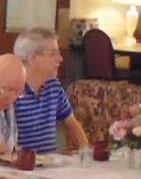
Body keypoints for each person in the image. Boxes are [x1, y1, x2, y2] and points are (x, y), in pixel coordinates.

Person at [10, 27, 88, 155]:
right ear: (33, 58)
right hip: (21, 166)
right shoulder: (12, 91)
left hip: (50, 164)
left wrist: (86, 152)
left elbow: (72, 123)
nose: (60, 59)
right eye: (53, 54)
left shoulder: (53, 86)